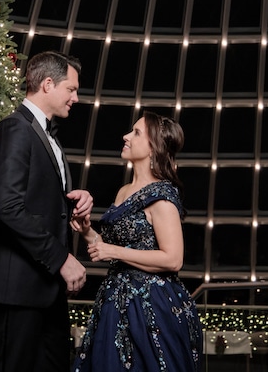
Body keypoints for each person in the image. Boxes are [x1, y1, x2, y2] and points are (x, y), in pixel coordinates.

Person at [0, 51, 94, 372]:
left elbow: (35, 200)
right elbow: (7, 207)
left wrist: (72, 201)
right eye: (71, 89)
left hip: (46, 287)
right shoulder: (13, 129)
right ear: (48, 84)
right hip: (20, 287)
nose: (76, 98)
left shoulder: (46, 134)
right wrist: (62, 259)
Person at [70, 111, 203, 372]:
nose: (126, 136)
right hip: (114, 302)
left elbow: (173, 259)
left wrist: (113, 250)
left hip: (151, 309)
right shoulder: (124, 191)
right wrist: (87, 231)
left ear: (153, 147)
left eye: (136, 133)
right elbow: (115, 248)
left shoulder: (162, 196)